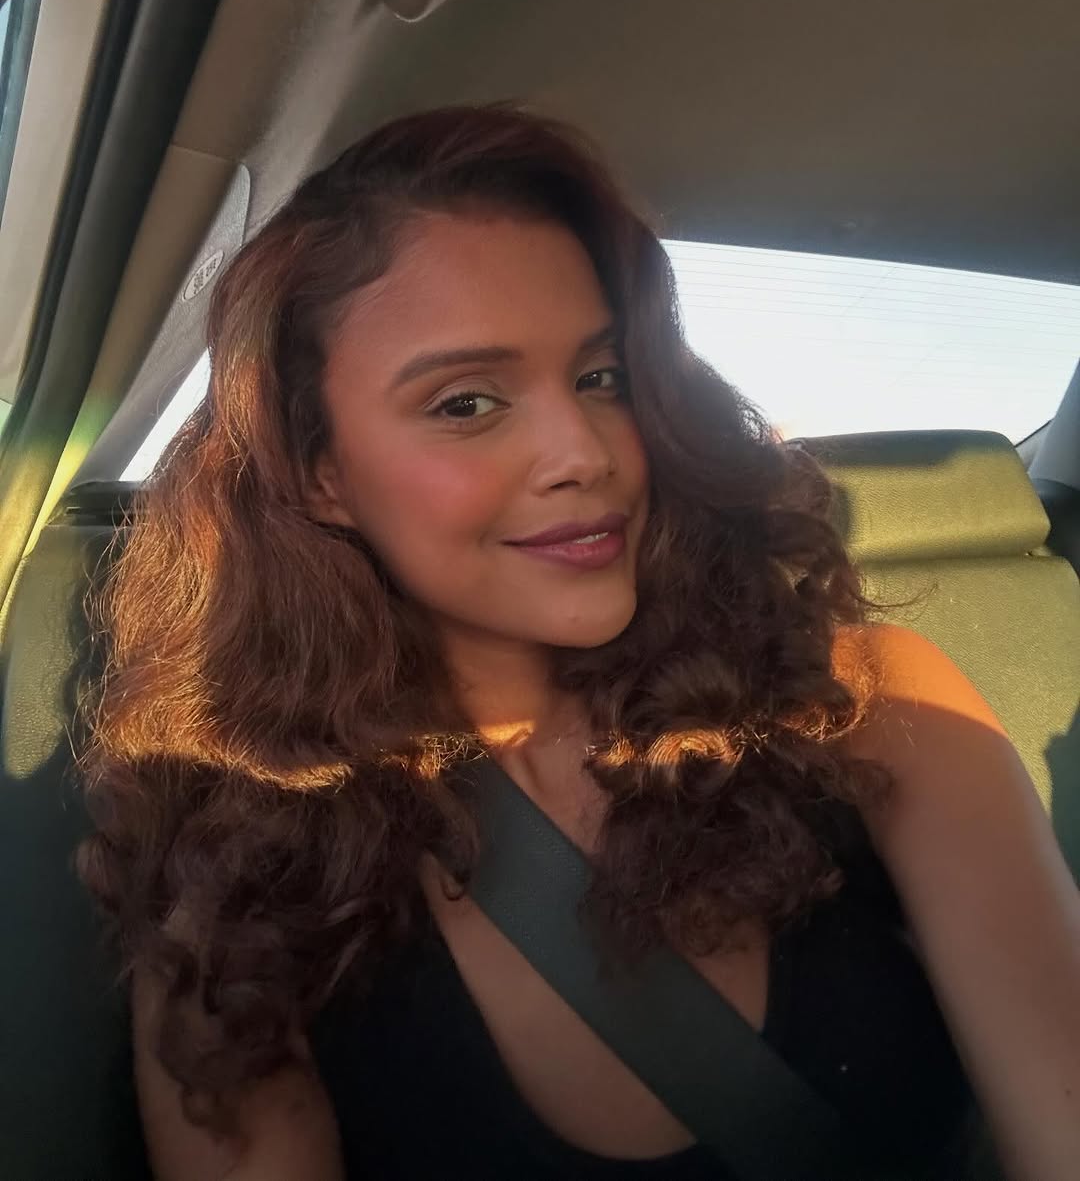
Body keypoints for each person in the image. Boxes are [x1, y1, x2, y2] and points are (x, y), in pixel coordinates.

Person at [76, 105, 1080, 1181]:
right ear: (322, 474)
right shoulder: (232, 845)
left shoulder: (871, 706)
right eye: (467, 402)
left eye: (604, 378)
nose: (584, 452)